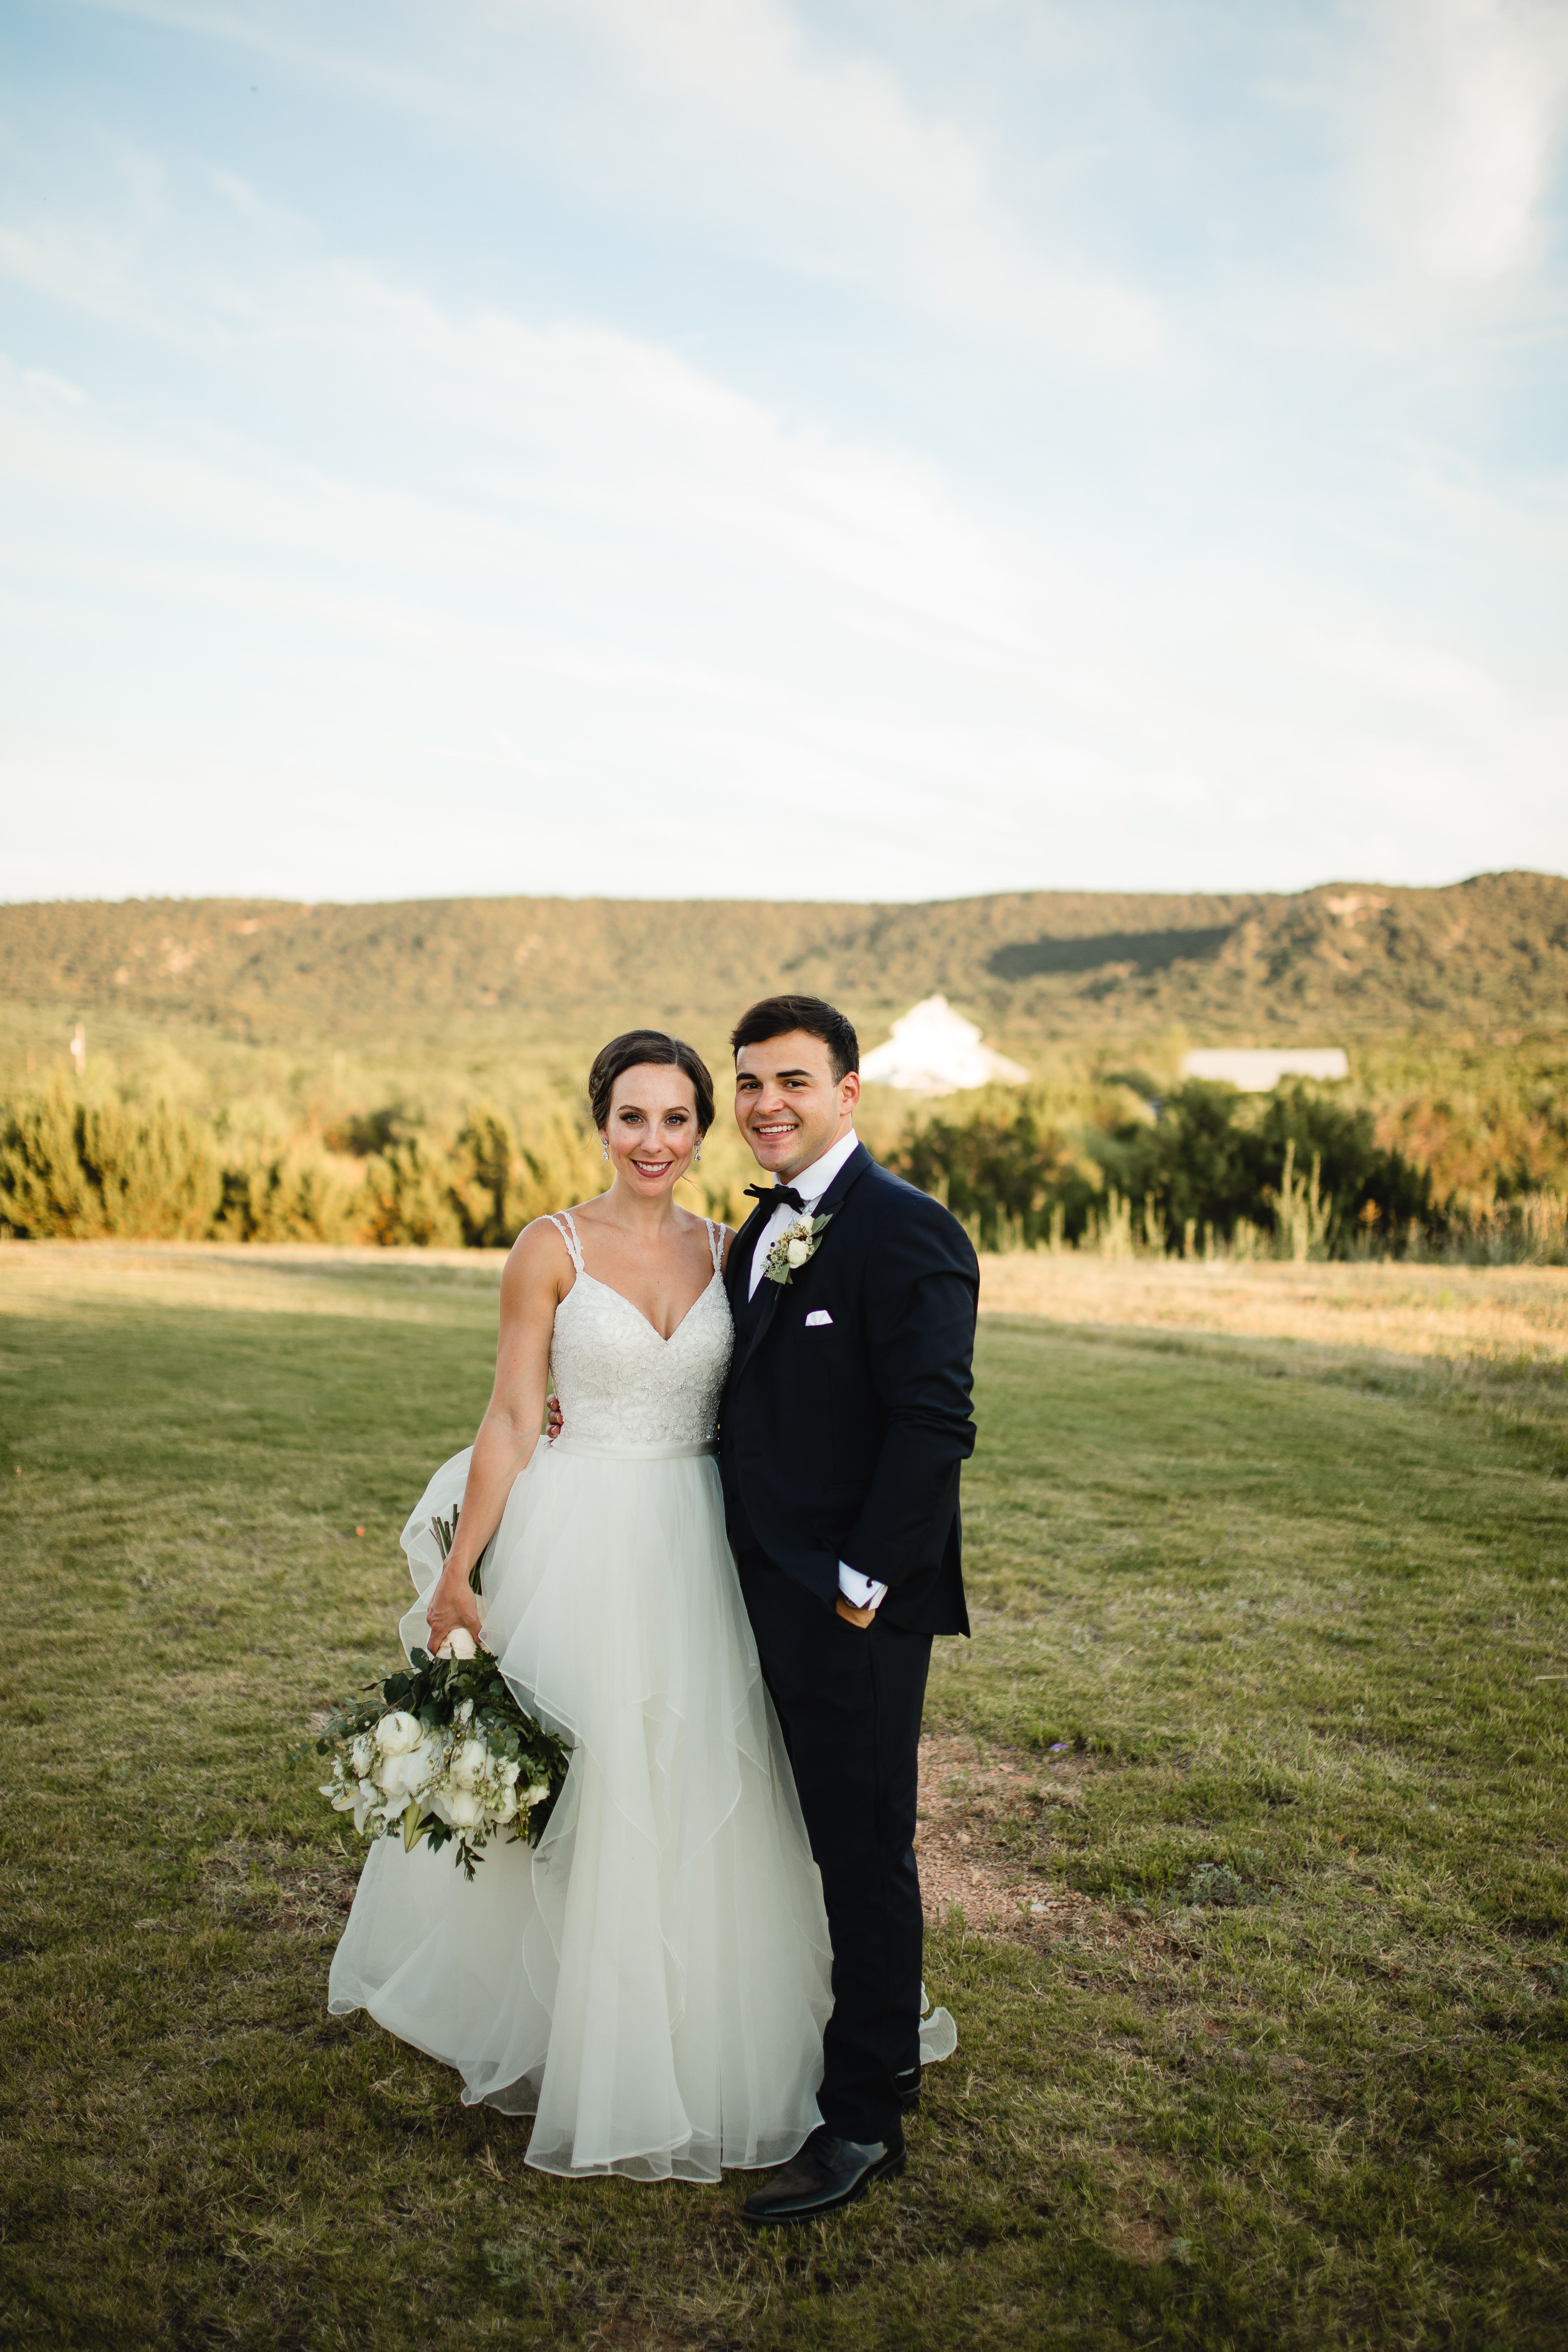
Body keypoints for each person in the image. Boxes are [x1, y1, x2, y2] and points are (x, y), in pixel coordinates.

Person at [327, 1030, 834, 2182]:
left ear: (702, 1131)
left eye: (675, 1119)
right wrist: (462, 1569)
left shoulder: (741, 1248)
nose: (652, 1141)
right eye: (631, 1117)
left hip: (699, 1537)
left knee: (702, 1769)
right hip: (582, 1529)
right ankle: (569, 2028)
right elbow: (511, 1416)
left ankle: (700, 2023)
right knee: (581, 1777)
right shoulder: (546, 1248)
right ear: (599, 1123)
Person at [716, 995, 978, 2226]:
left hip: (850, 1610)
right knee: (818, 1833)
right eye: (750, 1082)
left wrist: (862, 1587)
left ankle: (865, 2113)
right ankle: (875, 2053)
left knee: (864, 1851)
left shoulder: (907, 1229)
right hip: (756, 1587)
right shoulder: (754, 1238)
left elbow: (934, 1422)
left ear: (849, 1089)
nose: (767, 1102)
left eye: (793, 1081)